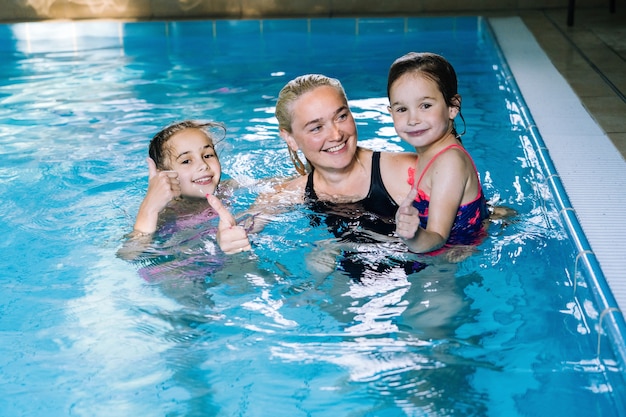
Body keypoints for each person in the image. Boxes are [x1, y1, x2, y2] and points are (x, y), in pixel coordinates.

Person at [387, 52, 490, 254]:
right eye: (401, 109)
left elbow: (437, 238)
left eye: (425, 106)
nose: (412, 119)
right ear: (390, 112)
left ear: (453, 107)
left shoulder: (449, 163)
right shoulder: (435, 151)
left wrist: (413, 235)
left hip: (446, 262)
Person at [119, 120, 251, 258]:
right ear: (164, 175)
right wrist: (149, 209)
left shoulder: (227, 188)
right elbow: (129, 255)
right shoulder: (166, 215)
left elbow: (273, 185)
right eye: (186, 161)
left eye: (208, 155)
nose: (203, 165)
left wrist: (262, 207)